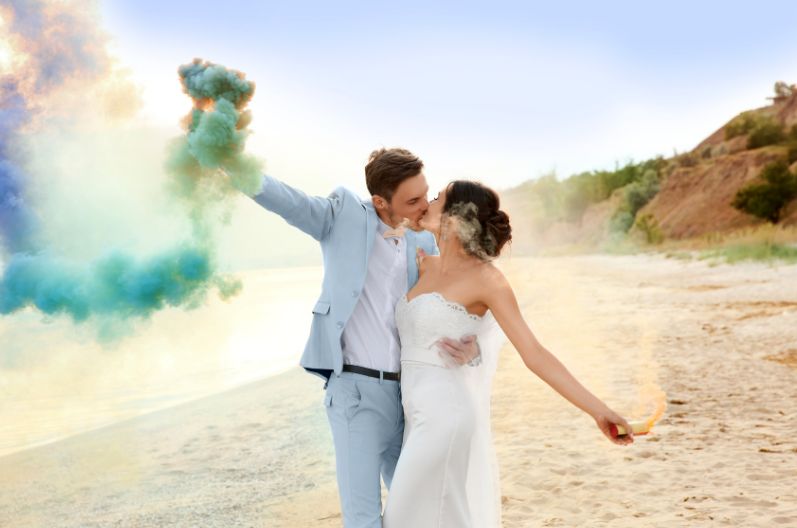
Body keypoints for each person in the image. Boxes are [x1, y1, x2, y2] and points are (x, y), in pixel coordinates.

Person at [249, 148, 481, 528]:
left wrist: (471, 346)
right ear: (379, 201)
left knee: (421, 509)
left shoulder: (426, 244)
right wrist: (238, 168)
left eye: (426, 193)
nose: (425, 206)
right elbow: (288, 201)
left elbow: (453, 310)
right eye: (412, 200)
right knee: (363, 519)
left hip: (412, 397)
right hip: (356, 394)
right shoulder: (342, 217)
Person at [382, 180, 634, 527]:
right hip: (415, 415)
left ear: (457, 217)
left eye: (438, 197)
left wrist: (599, 410)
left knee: (401, 518)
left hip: (446, 416)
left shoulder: (488, 280)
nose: (428, 201)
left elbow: (535, 353)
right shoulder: (423, 266)